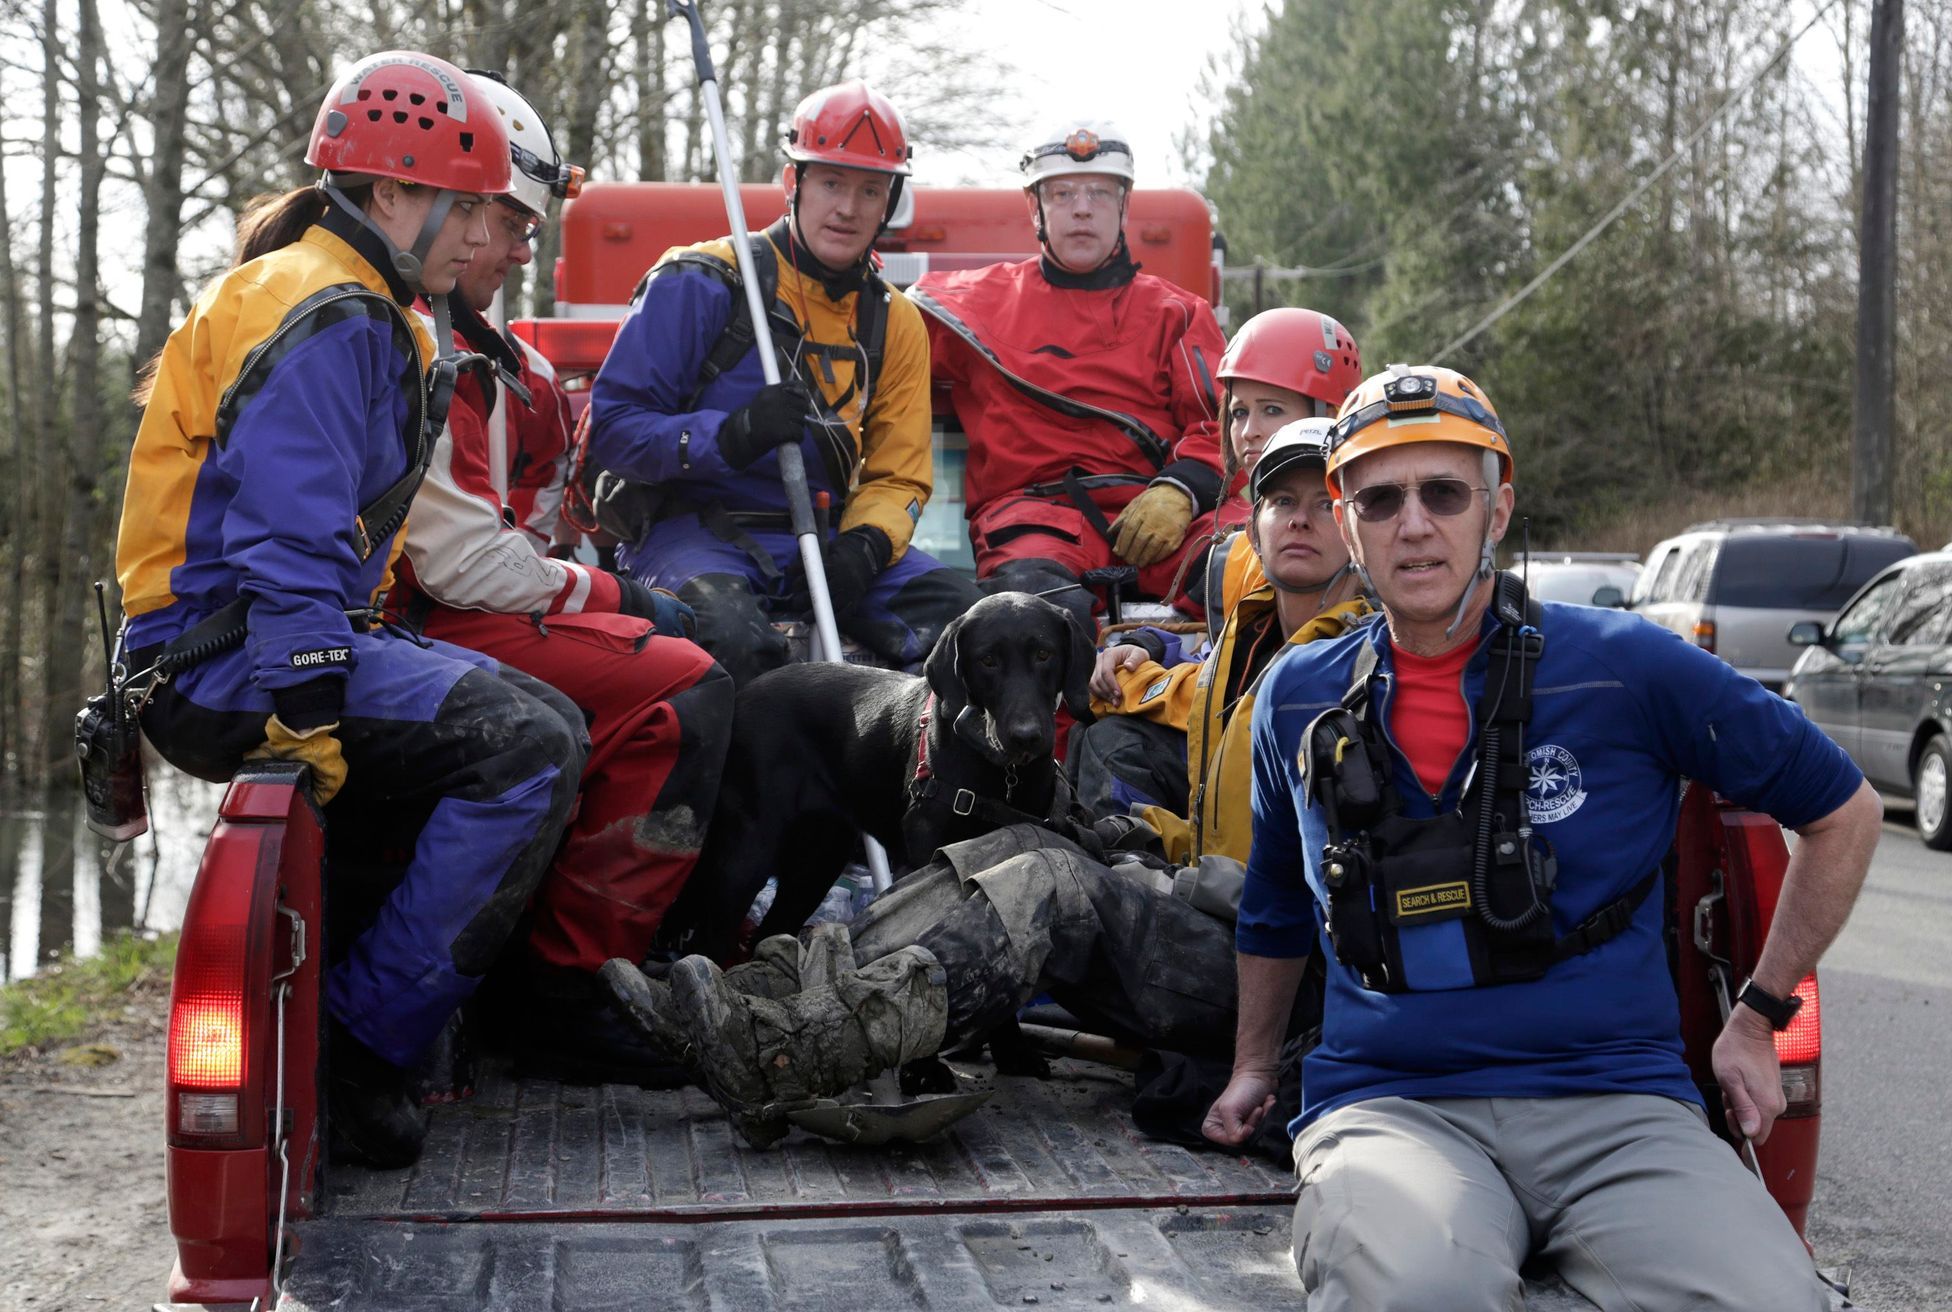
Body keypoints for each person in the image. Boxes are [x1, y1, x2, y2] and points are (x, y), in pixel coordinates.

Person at [1211, 363, 1882, 1310]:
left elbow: (1842, 811)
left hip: (1620, 1114)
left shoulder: (1628, 667)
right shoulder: (1298, 695)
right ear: (1345, 518)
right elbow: (1277, 902)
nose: (1414, 523)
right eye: (1380, 498)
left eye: (1445, 492)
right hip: (1392, 1111)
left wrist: (1760, 1018)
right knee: (1413, 1296)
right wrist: (1249, 1069)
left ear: (1498, 507)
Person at [600, 423, 1368, 1151]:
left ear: (1357, 526)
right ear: (1253, 524)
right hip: (1219, 917)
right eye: (1279, 503)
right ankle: (756, 998)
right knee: (1038, 839)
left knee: (1030, 875)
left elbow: (1327, 882)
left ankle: (776, 1047)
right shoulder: (1249, 640)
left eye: (1323, 505)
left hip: (1282, 973)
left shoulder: (1359, 670)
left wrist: (1254, 1053)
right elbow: (1221, 816)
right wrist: (1136, 839)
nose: (1298, 522)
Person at [115, 51, 588, 1168]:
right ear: (391, 197)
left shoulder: (359, 296)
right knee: (530, 746)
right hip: (227, 663)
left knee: (529, 718)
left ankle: (380, 1004)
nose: (487, 239)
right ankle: (362, 1044)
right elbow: (287, 533)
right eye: (468, 211)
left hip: (245, 643)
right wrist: (308, 697)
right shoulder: (326, 308)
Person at [385, 71, 732, 1081]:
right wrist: (622, 599)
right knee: (685, 690)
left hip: (464, 612)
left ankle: (647, 947)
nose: (522, 251)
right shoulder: (417, 347)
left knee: (704, 656)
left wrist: (603, 574)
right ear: (456, 207)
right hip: (420, 620)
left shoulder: (522, 373)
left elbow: (539, 540)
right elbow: (459, 563)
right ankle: (570, 987)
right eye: (512, 226)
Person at [586, 81, 979, 686]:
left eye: (869, 190)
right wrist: (734, 434)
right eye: (831, 183)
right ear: (793, 183)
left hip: (824, 539)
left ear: (889, 203)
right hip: (691, 532)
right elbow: (613, 434)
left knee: (978, 632)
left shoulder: (895, 319)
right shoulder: (701, 282)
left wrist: (867, 546)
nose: (848, 208)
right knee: (732, 642)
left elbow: (899, 473)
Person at [909, 119, 1229, 634]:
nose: (1082, 207)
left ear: (1124, 207)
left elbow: (1226, 426)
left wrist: (1181, 489)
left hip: (1158, 515)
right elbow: (881, 364)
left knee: (1253, 571)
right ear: (1035, 209)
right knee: (1030, 626)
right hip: (1033, 522)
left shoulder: (1179, 313)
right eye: (1063, 193)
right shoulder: (966, 307)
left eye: (1100, 193)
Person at [1070, 308, 1362, 818]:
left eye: (1272, 409)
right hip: (1240, 750)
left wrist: (1138, 686)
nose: (1248, 431)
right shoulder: (1237, 543)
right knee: (1111, 740)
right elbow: (1224, 647)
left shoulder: (1360, 529)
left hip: (1314, 764)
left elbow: (1252, 688)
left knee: (1112, 736)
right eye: (1238, 412)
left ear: (1330, 413)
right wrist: (1147, 645)